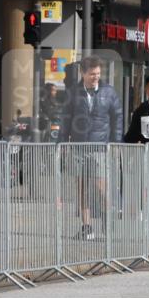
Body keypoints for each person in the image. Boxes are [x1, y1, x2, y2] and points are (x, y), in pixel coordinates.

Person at [59, 56, 124, 241]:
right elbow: (65, 119)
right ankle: (86, 227)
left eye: (98, 73)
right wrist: (61, 143)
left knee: (101, 187)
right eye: (92, 74)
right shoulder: (73, 92)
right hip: (78, 146)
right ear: (83, 73)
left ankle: (107, 220)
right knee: (81, 189)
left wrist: (116, 142)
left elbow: (117, 118)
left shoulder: (109, 92)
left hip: (99, 147)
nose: (96, 77)